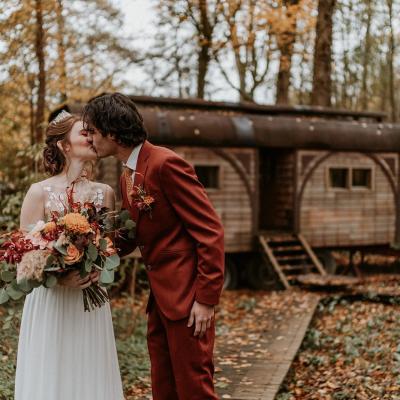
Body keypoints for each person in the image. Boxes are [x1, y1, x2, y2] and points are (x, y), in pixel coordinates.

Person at [83, 92, 225, 400]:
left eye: (92, 131)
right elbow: (131, 236)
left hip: (187, 298)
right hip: (160, 299)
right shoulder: (127, 177)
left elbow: (210, 230)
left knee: (193, 387)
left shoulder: (165, 164)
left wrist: (206, 299)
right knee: (164, 385)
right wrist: (87, 253)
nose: (90, 138)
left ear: (111, 132)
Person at [14, 111, 124, 400]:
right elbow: (24, 263)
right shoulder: (39, 193)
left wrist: (99, 269)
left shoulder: (106, 193)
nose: (91, 138)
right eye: (84, 134)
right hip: (52, 302)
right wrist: (61, 278)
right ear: (64, 146)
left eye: (92, 133)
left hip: (91, 302)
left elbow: (110, 250)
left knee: (91, 373)